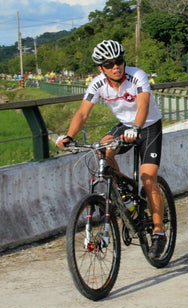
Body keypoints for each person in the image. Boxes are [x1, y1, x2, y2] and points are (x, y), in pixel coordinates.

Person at [55, 40, 167, 259]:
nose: (116, 67)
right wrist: (69, 136)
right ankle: (124, 187)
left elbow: (143, 104)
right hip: (125, 126)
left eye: (119, 61)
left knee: (148, 178)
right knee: (102, 150)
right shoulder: (97, 84)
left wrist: (137, 127)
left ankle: (159, 231)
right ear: (101, 68)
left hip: (149, 125)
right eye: (109, 64)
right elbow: (82, 113)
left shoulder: (137, 76)